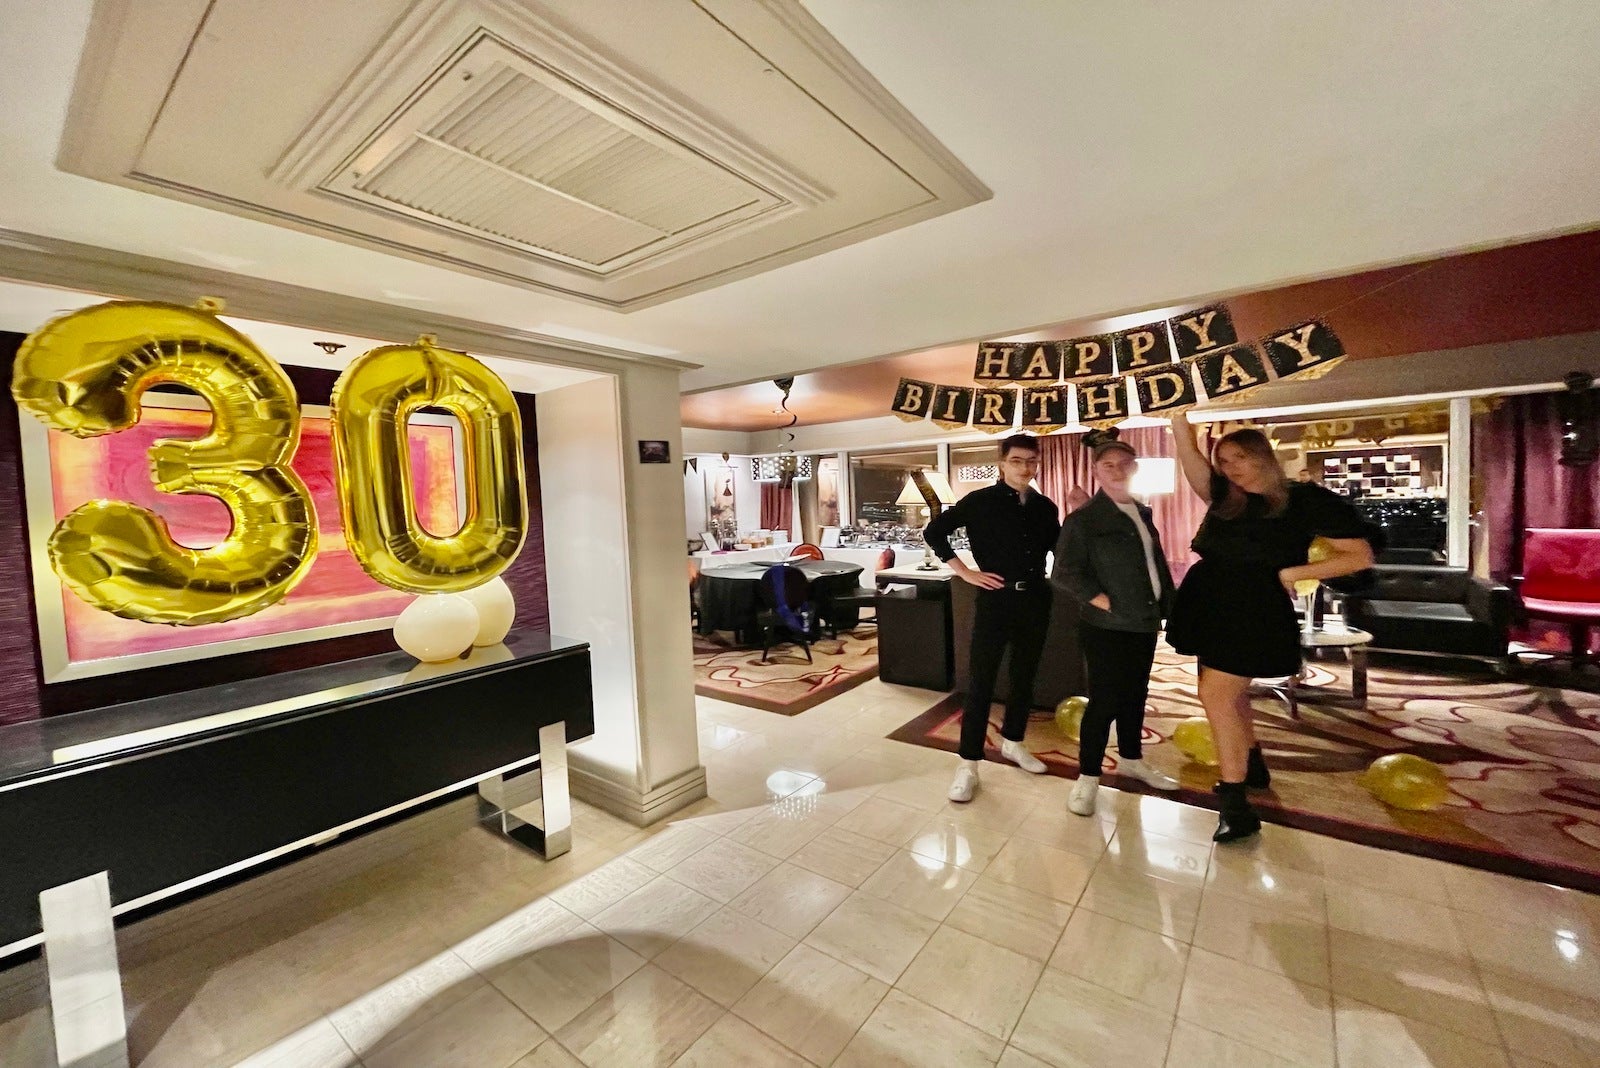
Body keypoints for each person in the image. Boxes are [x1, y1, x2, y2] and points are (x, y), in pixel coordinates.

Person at [1167, 414, 1374, 841]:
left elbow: (1358, 556)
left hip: (1255, 601)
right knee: (1228, 691)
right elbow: (1189, 457)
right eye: (1224, 460)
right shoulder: (1227, 497)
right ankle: (1252, 764)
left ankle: (1236, 804)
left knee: (1215, 696)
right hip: (1212, 597)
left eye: (1240, 457)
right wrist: (1178, 420)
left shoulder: (1303, 499)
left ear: (1264, 456)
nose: (1231, 468)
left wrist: (1291, 574)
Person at [924, 433, 1060, 802]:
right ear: (1002, 463)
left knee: (1024, 675)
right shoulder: (979, 502)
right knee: (981, 680)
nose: (1025, 468)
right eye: (1017, 460)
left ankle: (1014, 742)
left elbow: (1061, 550)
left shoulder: (1046, 507)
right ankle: (968, 764)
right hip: (995, 600)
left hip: (1035, 598)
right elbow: (934, 531)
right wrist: (964, 572)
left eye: (1032, 461)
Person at [1052, 434, 1179, 816]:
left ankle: (1131, 759)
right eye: (1108, 465)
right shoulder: (1085, 519)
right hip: (1105, 625)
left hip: (1143, 622)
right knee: (1104, 700)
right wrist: (1100, 599)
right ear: (1096, 471)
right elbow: (1065, 572)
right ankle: (1088, 776)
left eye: (1125, 464)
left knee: (1136, 694)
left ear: (1135, 468)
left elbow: (1154, 564)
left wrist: (1169, 606)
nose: (1117, 471)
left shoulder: (1143, 513)